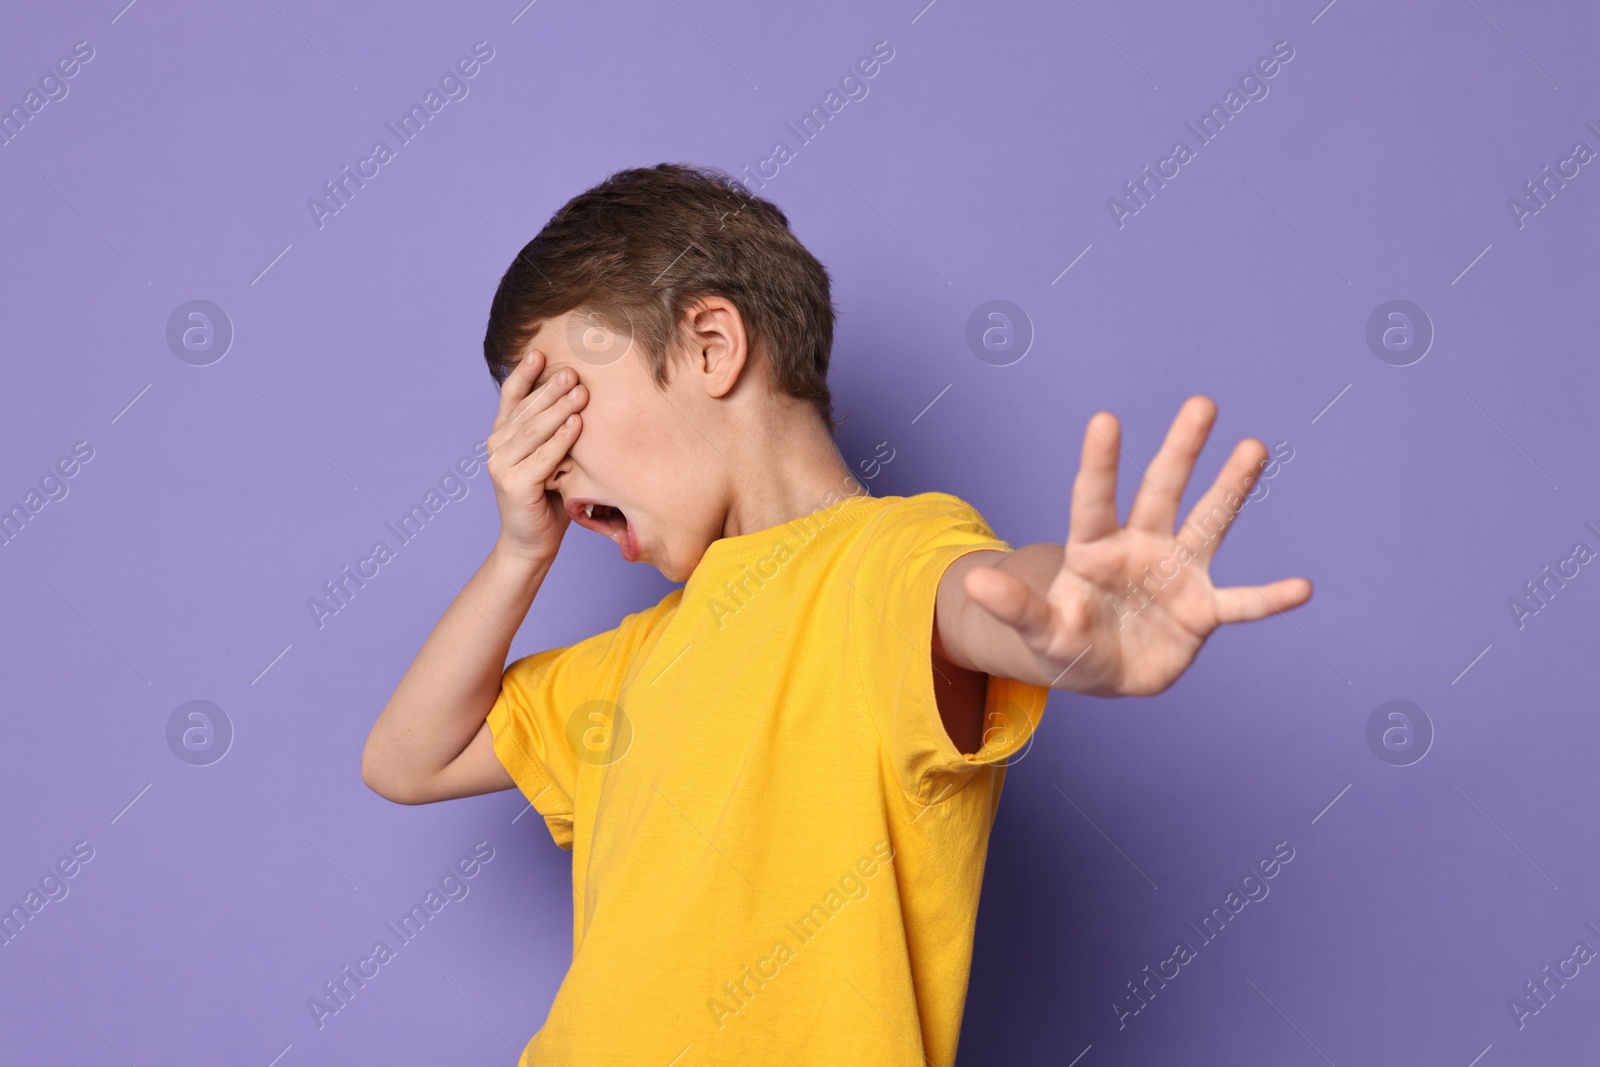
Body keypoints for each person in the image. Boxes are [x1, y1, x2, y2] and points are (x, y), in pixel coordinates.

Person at [359, 163, 1312, 1066]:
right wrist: (521, 550)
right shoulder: (627, 665)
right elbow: (408, 758)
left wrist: (1082, 610)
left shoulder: (879, 564)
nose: (541, 459)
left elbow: (977, 599)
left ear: (711, 345)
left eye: (558, 402)